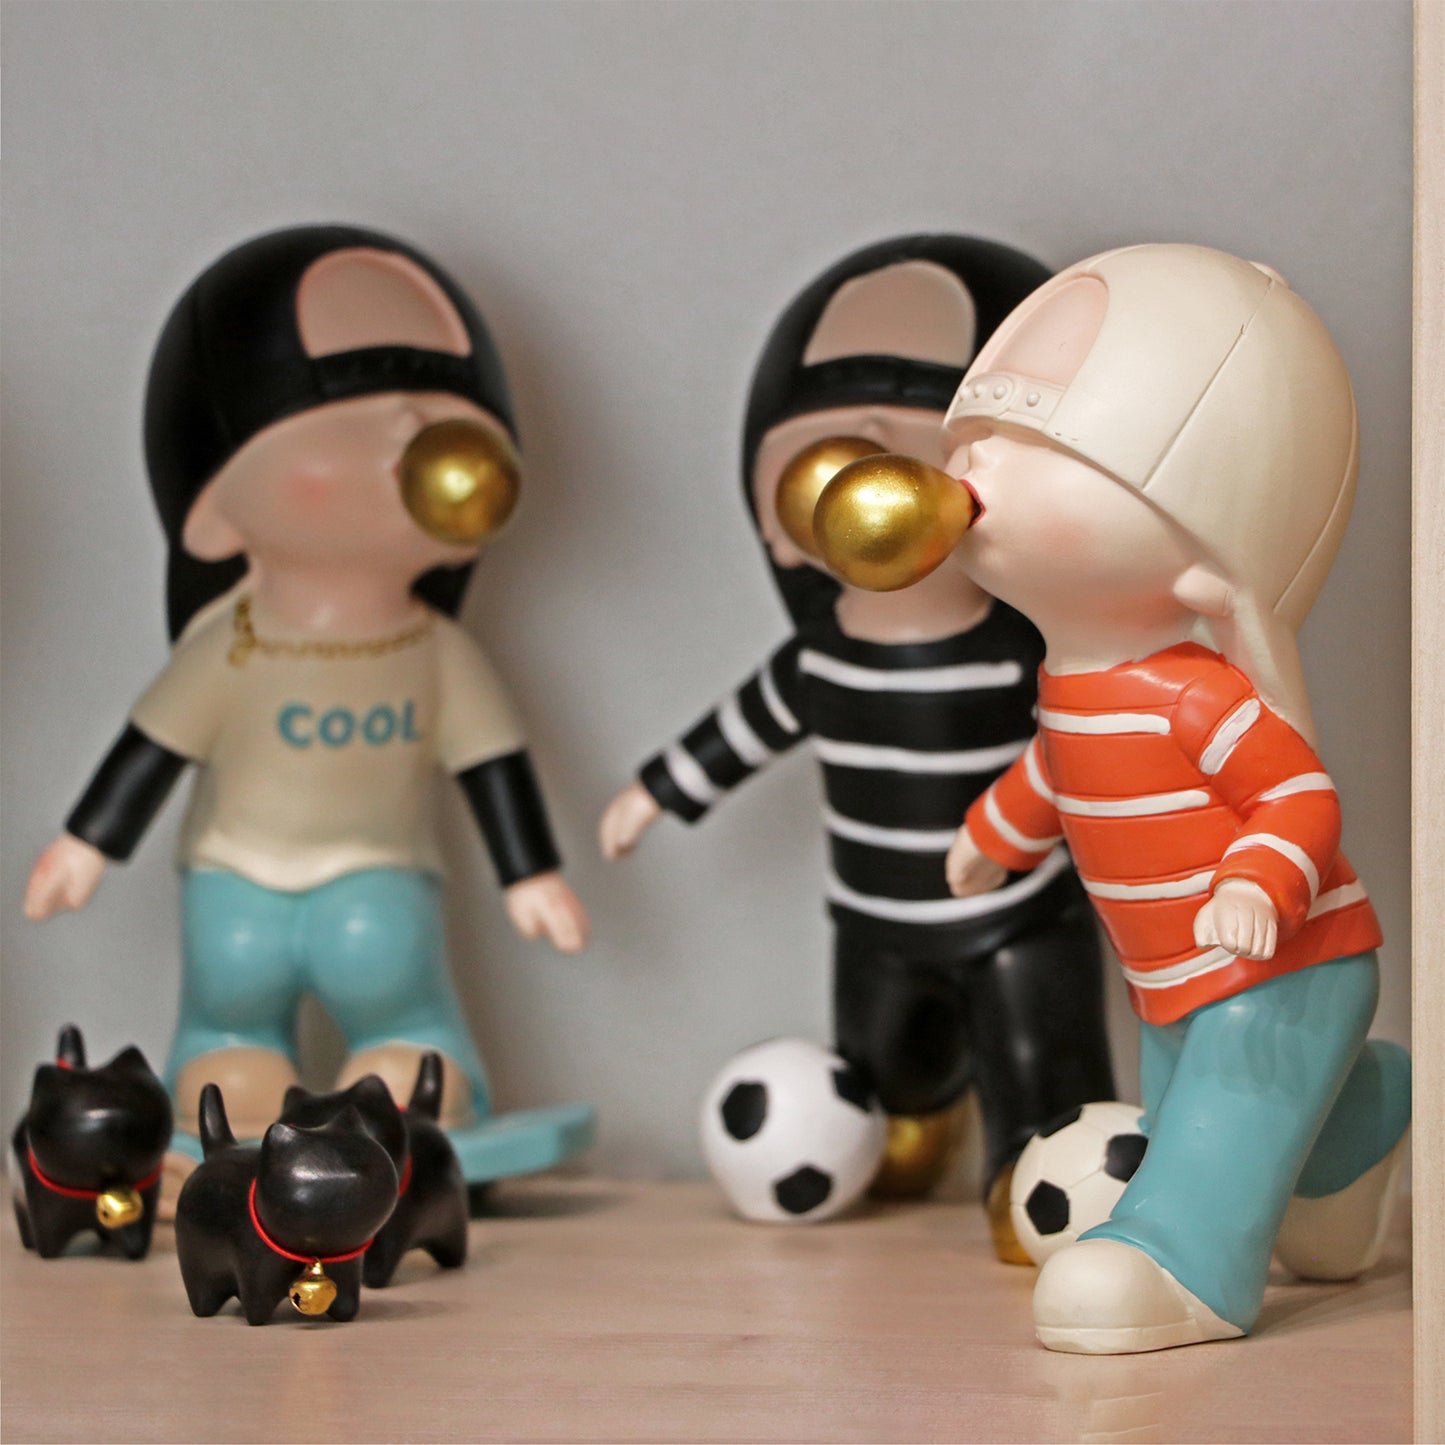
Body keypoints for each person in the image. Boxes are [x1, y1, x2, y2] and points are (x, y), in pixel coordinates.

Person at [815, 242, 1412, 1351]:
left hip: (1278, 964)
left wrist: (1256, 880)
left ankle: (1181, 1262)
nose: (971, 472)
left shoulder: (1193, 693)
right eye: (974, 439)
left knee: (1213, 1123)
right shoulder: (1075, 682)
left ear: (1203, 564)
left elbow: (1296, 796)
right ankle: (1362, 1121)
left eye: (1038, 453)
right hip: (1172, 970)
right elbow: (1058, 769)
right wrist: (993, 833)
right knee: (1199, 1100)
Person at [24, 225, 595, 1190]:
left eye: (434, 417)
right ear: (215, 513)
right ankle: (225, 1056)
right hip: (234, 879)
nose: (412, 438)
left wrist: (529, 874)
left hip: (381, 879)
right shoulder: (231, 643)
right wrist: (88, 844)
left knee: (396, 996)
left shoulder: (436, 652)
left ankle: (415, 1058)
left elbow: (491, 762)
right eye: (355, 424)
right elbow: (150, 748)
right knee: (231, 1010)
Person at [601, 236, 1115, 1258]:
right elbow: (740, 727)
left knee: (1039, 1070)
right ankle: (907, 1131)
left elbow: (1092, 740)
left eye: (911, 427)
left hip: (1017, 914)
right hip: (874, 921)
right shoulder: (819, 658)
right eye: (831, 435)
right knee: (887, 1075)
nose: (869, 451)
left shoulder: (1021, 654)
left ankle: (1036, 1172)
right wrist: (650, 793)